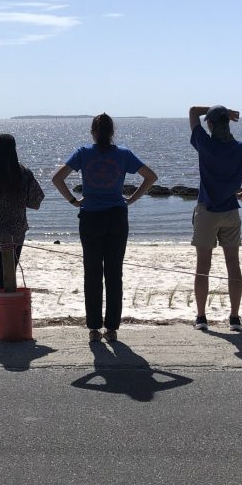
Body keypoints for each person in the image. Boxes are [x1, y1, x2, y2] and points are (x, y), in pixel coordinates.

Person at [52, 113, 158, 343]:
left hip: (90, 216)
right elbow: (150, 177)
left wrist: (73, 200)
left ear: (93, 132)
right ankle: (111, 328)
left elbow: (57, 178)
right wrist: (132, 198)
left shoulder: (83, 153)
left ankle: (93, 329)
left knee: (92, 273)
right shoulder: (123, 154)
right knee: (114, 273)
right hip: (117, 216)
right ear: (112, 133)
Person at [188, 105, 242, 332]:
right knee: (233, 264)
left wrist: (224, 108)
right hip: (231, 212)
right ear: (228, 124)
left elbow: (193, 110)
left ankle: (202, 317)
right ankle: (234, 318)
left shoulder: (205, 143)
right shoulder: (241, 149)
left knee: (203, 266)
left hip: (207, 212)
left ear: (211, 124)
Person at [0, 133, 45, 330]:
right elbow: (36, 202)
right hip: (17, 232)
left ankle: (1, 317)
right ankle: (9, 315)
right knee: (11, 272)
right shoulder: (24, 174)